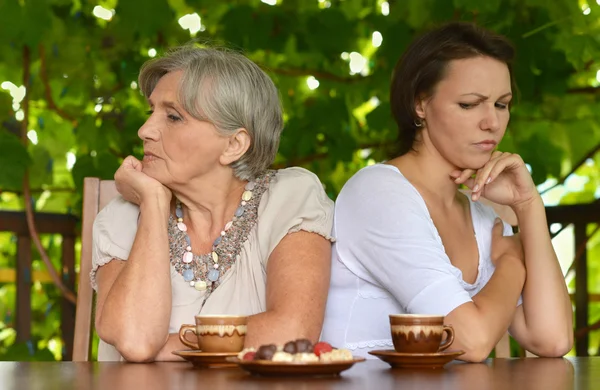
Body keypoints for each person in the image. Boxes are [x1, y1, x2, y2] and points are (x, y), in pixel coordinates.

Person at [321, 22, 573, 362]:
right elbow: (469, 341)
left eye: (502, 104)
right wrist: (512, 261)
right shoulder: (379, 195)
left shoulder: (482, 213)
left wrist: (529, 206)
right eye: (470, 104)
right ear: (420, 104)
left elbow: (552, 340)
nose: (493, 123)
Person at [91, 46, 334, 362]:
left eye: (173, 116)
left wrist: (166, 347)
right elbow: (135, 340)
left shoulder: (289, 198)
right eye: (150, 112)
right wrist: (152, 202)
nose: (145, 130)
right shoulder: (121, 218)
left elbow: (290, 329)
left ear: (234, 144)